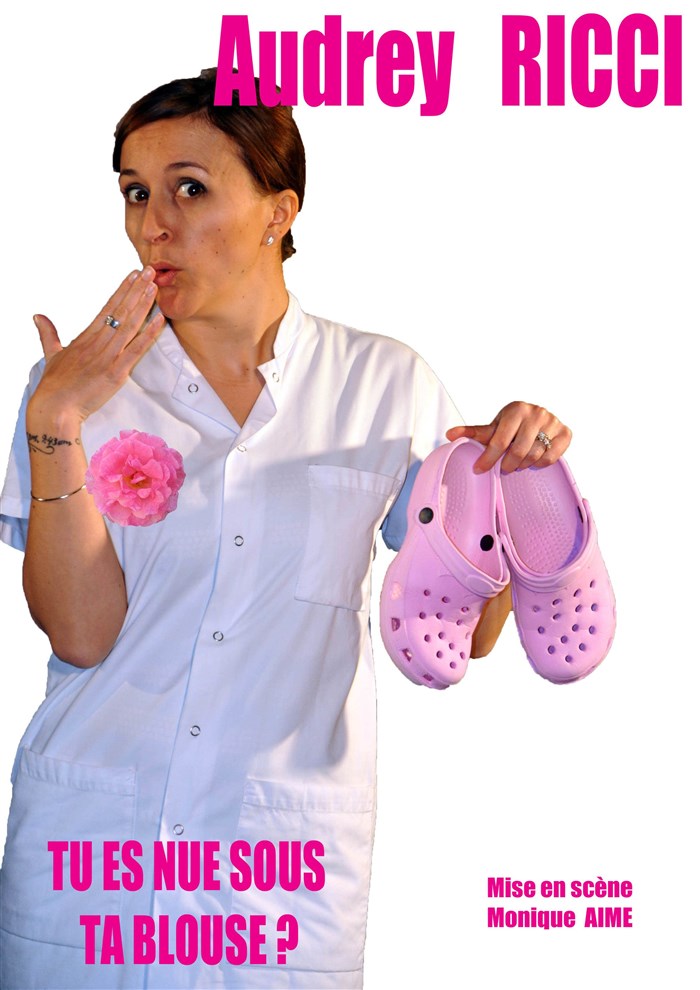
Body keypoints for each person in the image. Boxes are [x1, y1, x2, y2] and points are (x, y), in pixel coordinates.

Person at [0, 69, 570, 989]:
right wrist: (56, 422)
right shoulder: (75, 385)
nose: (153, 225)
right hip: (94, 849)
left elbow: (465, 636)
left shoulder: (385, 385)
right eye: (135, 193)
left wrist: (507, 494)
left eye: (190, 189)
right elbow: (80, 632)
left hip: (274, 875)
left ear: (279, 211)